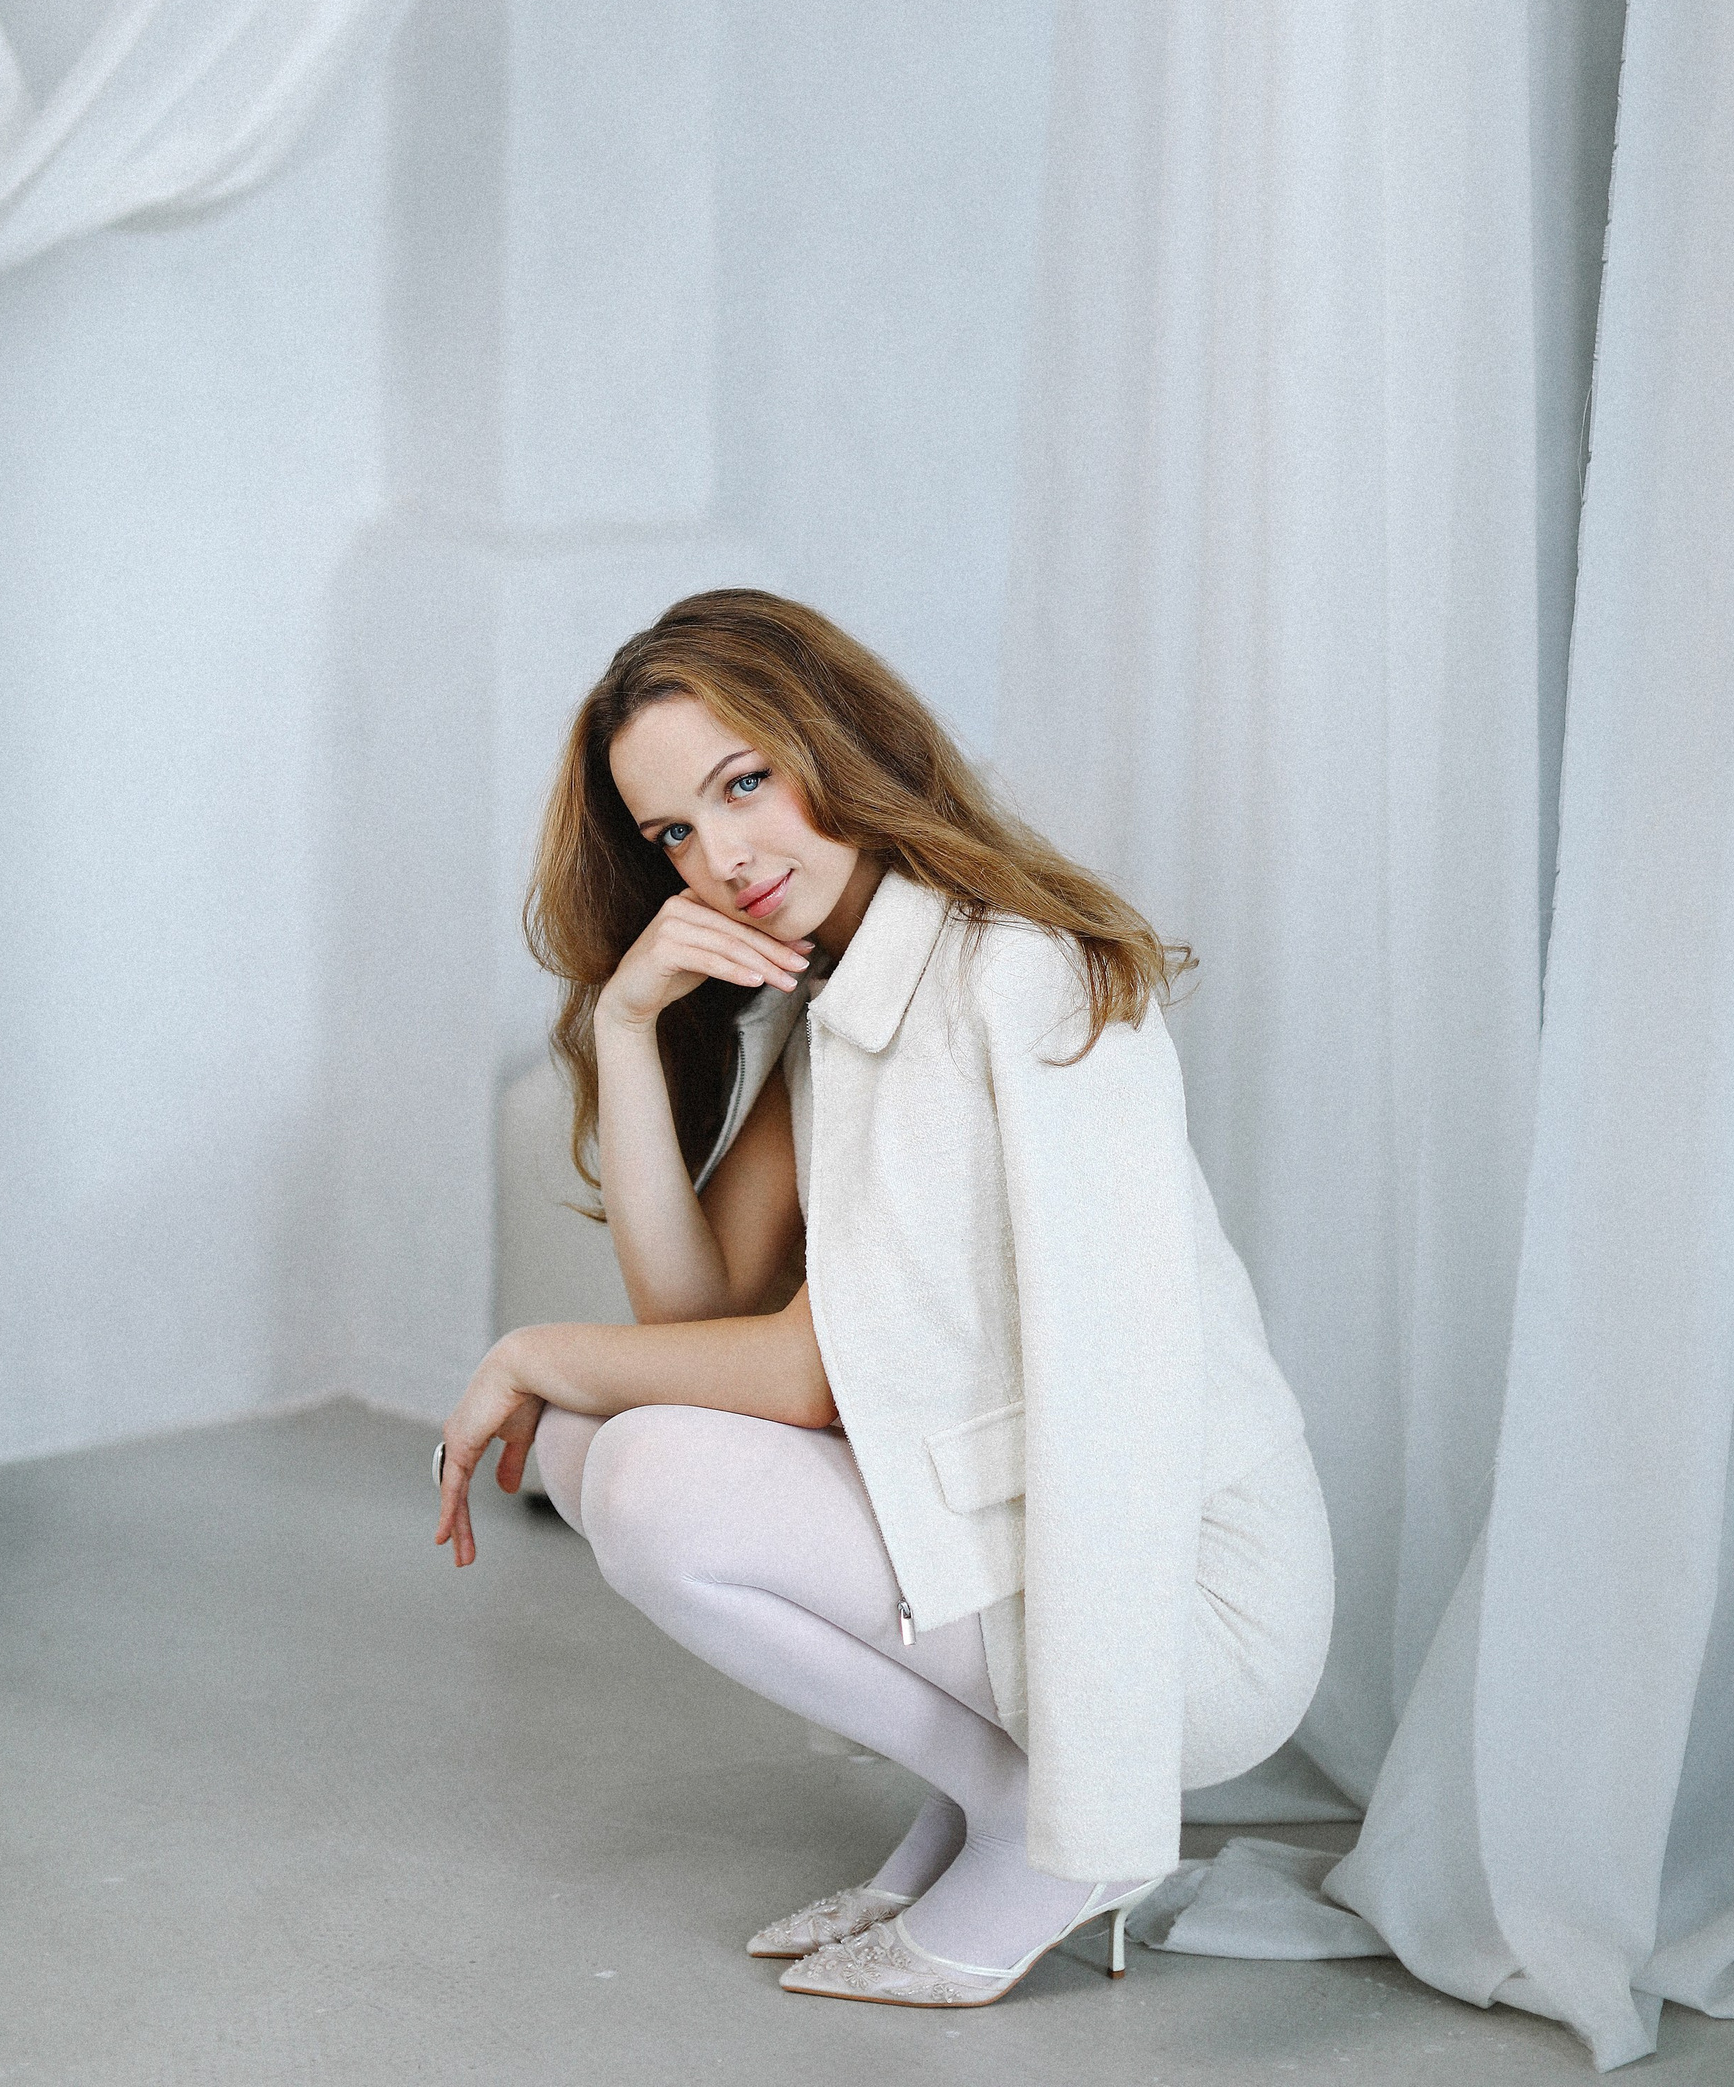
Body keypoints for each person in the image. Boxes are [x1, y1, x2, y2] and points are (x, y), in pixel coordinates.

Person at [434, 589, 1332, 2010]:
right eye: (672, 834)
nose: (720, 859)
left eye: (744, 783)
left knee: (647, 1467)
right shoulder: (848, 998)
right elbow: (693, 1327)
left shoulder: (1004, 973)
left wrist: (530, 1347)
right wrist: (625, 1022)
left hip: (1179, 1604)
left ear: (835, 738)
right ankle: (1006, 1803)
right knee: (588, 1443)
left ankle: (1053, 1829)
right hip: (1030, 1530)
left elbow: (805, 1377)